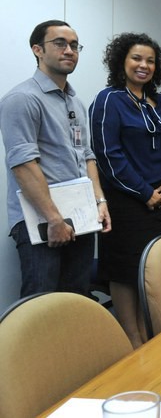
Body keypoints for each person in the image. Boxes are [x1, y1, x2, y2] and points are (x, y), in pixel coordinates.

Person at [0, 20, 111, 298]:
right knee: (41, 306)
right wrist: (53, 219)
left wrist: (100, 202)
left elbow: (86, 156)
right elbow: (24, 165)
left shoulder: (74, 102)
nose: (69, 50)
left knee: (75, 301)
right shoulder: (22, 99)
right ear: (37, 50)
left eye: (74, 45)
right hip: (42, 222)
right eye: (59, 43)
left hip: (79, 218)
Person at [90, 32, 161, 348]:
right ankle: (133, 341)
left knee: (153, 271)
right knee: (126, 271)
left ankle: (151, 337)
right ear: (121, 62)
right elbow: (108, 156)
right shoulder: (109, 100)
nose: (144, 65)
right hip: (128, 202)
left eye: (150, 61)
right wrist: (145, 192)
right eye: (136, 58)